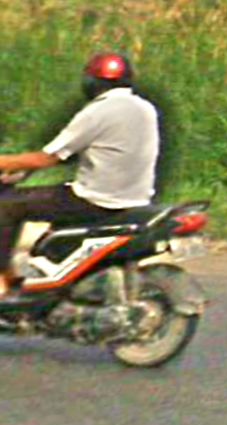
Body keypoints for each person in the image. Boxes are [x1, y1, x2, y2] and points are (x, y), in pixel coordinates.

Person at [0, 52, 160, 295]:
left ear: (91, 82)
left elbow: (48, 157)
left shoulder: (98, 111)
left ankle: (4, 280)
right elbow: (92, 150)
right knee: (45, 199)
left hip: (96, 199)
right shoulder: (144, 108)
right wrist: (21, 172)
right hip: (135, 197)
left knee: (6, 206)